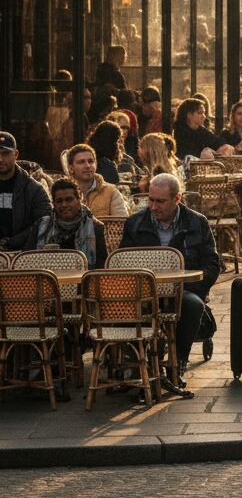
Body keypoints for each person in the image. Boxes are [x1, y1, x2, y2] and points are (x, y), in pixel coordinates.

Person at [122, 173, 220, 392]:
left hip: (183, 290)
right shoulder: (135, 223)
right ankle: (138, 365)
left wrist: (188, 287)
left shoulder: (196, 222)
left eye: (160, 201)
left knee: (192, 305)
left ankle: (178, 363)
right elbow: (122, 263)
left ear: (177, 198)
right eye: (151, 200)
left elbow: (212, 264)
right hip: (145, 293)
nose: (154, 207)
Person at [35, 177, 107, 267]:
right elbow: (27, 260)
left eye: (69, 200)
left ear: (79, 200)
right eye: (59, 201)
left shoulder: (95, 227)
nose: (64, 205)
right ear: (53, 203)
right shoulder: (41, 226)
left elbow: (101, 268)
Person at [0, 131, 51, 251]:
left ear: (16, 154)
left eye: (6, 153)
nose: (0, 159)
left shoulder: (34, 190)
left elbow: (45, 222)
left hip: (23, 256)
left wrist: (12, 242)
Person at [66, 143, 128, 217]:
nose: (88, 166)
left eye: (91, 161)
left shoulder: (111, 192)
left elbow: (121, 223)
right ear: (71, 168)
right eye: (81, 162)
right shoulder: (63, 193)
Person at [87, 119, 125, 185]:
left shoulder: (89, 157)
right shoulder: (108, 166)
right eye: (118, 140)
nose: (119, 144)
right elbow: (115, 187)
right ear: (113, 142)